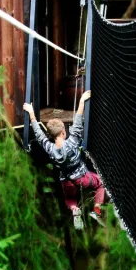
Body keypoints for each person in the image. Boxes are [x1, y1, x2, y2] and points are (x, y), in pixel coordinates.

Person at [23, 90, 105, 229]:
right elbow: (78, 120)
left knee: (70, 199)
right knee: (100, 184)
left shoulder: (49, 148)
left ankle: (74, 209)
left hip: (67, 180)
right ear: (63, 132)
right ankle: (97, 209)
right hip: (82, 177)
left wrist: (31, 113)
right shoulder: (72, 142)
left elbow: (38, 133)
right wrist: (81, 101)